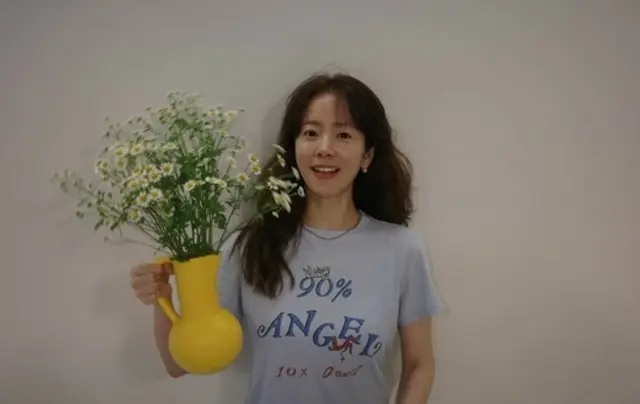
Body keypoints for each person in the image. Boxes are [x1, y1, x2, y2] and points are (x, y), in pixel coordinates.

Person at [130, 72, 445, 403]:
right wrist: (162, 299)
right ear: (293, 148)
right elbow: (179, 365)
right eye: (311, 133)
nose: (324, 148)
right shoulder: (247, 246)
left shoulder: (402, 249)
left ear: (367, 155)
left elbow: (420, 364)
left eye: (343, 134)